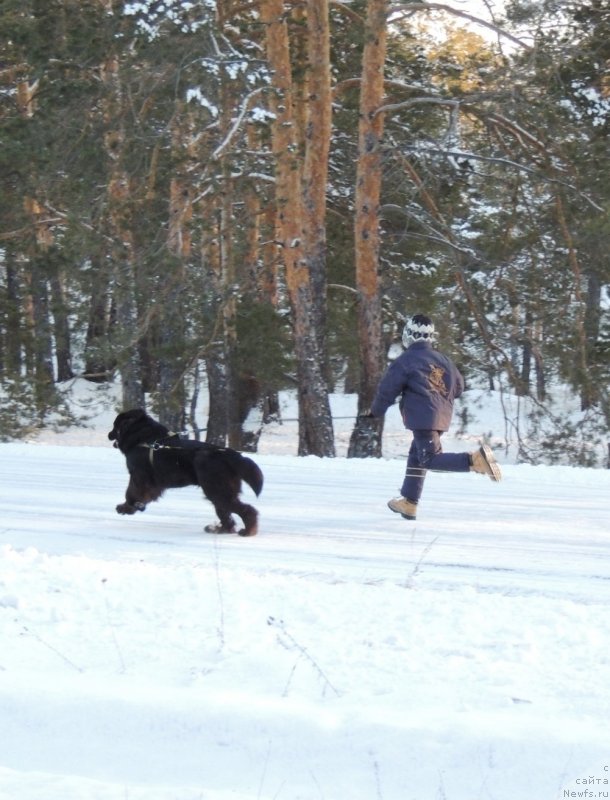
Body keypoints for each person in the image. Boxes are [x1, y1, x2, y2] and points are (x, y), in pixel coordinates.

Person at [367, 313, 501, 521]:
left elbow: (387, 390)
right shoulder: (443, 360)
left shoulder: (406, 361)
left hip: (422, 417)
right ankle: (409, 502)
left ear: (409, 335)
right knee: (417, 455)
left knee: (430, 459)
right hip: (440, 417)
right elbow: (459, 387)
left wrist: (375, 411)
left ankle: (475, 460)